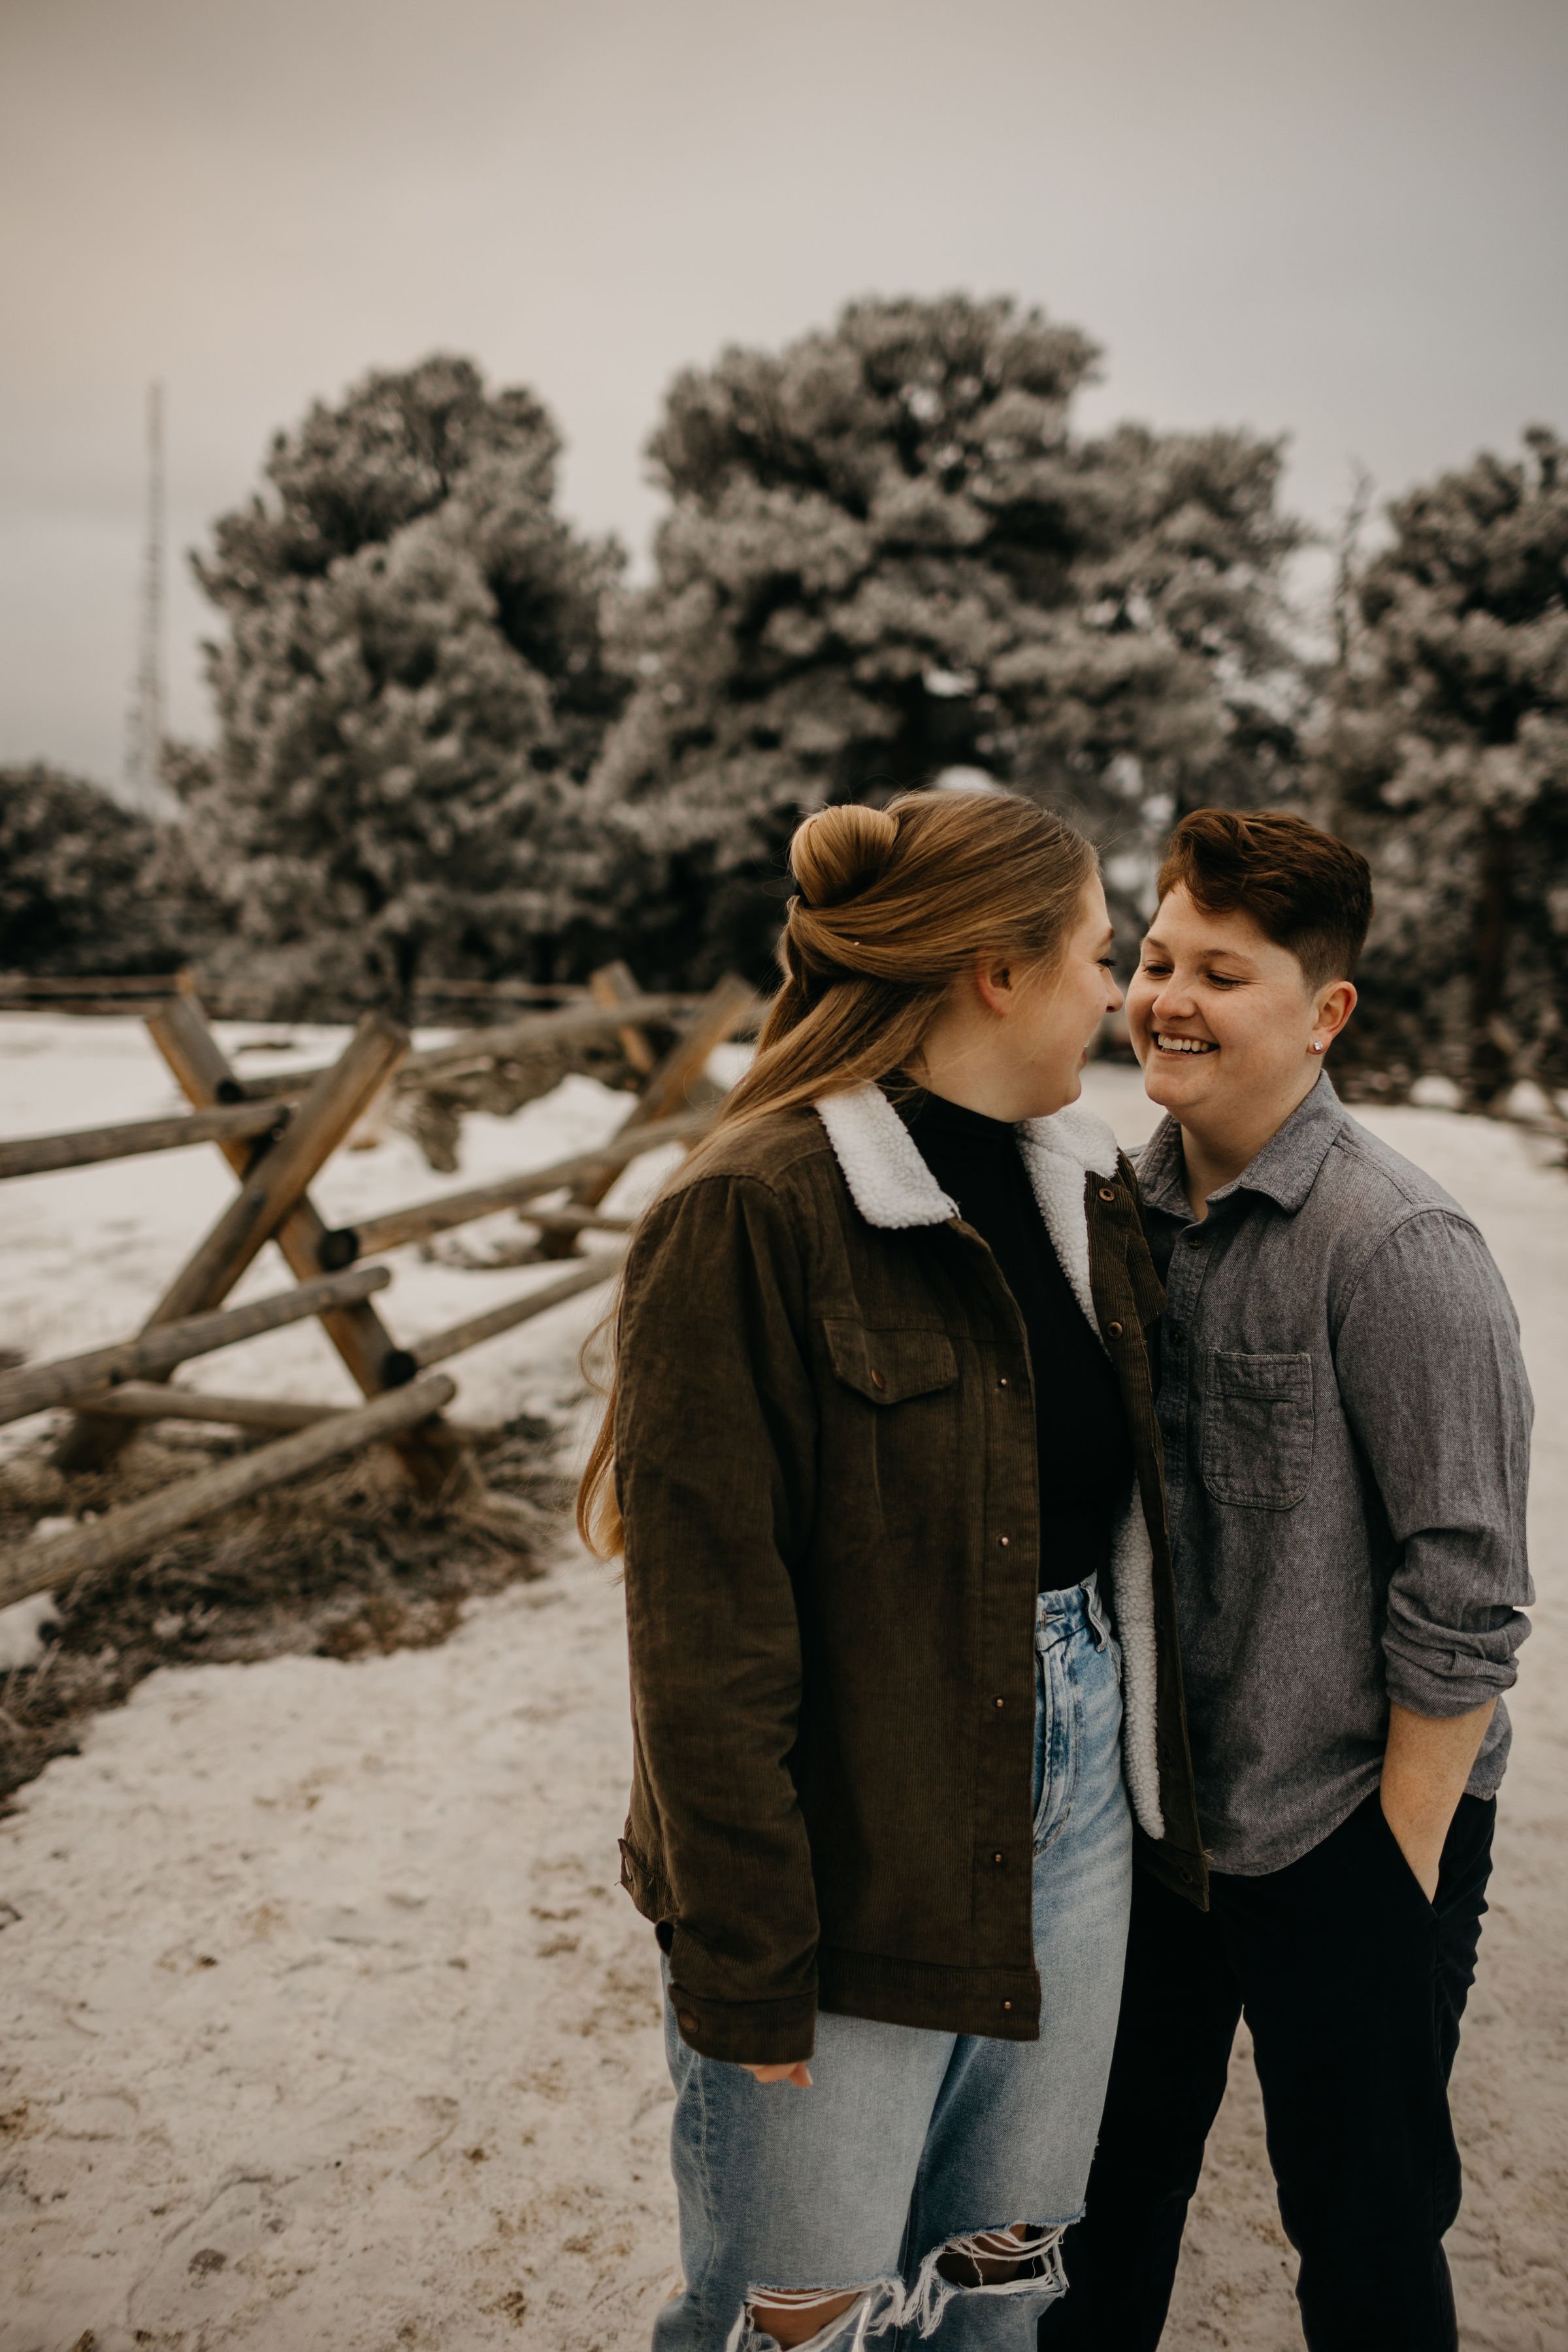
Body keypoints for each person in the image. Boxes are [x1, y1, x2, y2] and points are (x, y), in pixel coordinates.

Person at [578, 789, 1205, 2352]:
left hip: (1072, 1836)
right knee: (801, 2316)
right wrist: (748, 1957)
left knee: (997, 2285)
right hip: (852, 1840)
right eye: (1092, 954)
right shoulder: (753, 1210)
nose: (1115, 993)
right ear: (992, 971)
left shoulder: (1085, 1192)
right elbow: (705, 1642)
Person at [1040, 809, 1533, 2352]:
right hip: (1168, 1828)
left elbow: (1471, 1587)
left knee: (1366, 2224)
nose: (1167, 998)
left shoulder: (1399, 1245)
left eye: (1223, 974)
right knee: (1102, 2206)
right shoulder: (1119, 1213)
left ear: (1324, 1014)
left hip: (1351, 1827)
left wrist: (1397, 1866)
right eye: (1161, 959)